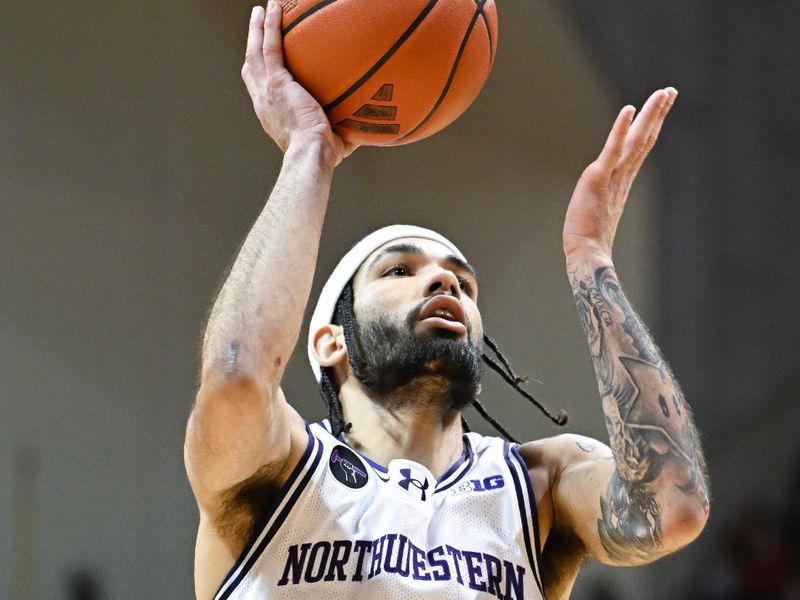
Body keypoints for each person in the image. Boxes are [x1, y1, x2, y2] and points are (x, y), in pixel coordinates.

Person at [184, 3, 710, 599]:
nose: (444, 284)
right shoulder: (277, 471)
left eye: (463, 281)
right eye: (400, 269)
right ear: (329, 340)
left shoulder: (540, 486)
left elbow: (672, 506)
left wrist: (593, 264)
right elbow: (235, 375)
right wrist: (310, 150)